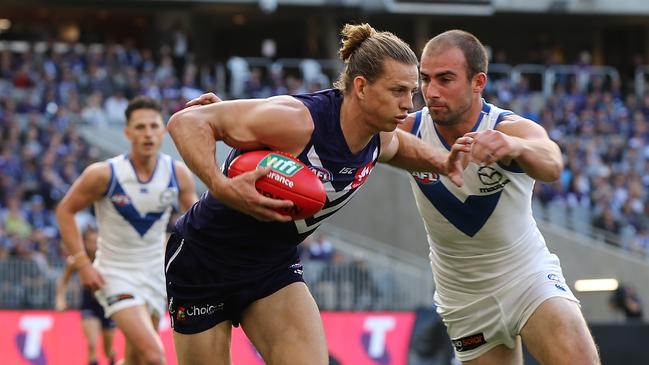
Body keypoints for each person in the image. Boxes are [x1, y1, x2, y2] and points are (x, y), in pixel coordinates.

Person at [164, 23, 471, 365]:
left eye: (411, 92)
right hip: (204, 259)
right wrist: (221, 186)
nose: (408, 104)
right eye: (398, 90)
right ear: (361, 86)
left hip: (271, 266)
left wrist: (445, 163)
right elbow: (185, 123)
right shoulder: (298, 121)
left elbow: (399, 147)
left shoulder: (378, 136)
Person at [400, 29, 600, 364]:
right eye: (425, 79)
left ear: (478, 82)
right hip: (463, 300)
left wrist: (515, 147)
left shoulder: (507, 128)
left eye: (445, 79)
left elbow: (551, 163)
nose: (431, 91)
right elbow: (349, 135)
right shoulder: (408, 132)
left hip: (528, 278)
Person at [56, 96, 198, 365]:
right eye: (140, 127)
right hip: (115, 274)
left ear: (163, 130)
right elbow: (65, 211)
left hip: (156, 275)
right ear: (127, 132)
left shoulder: (177, 174)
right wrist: (83, 263)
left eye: (154, 126)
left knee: (136, 359)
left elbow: (197, 222)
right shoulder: (104, 174)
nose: (148, 133)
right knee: (154, 356)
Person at [55, 227, 117, 365]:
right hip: (88, 304)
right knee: (92, 344)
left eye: (96, 241)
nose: (93, 245)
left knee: (108, 350)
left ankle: (112, 359)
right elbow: (63, 281)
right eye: (90, 241)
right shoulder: (77, 261)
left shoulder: (108, 258)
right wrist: (60, 299)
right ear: (84, 242)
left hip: (107, 306)